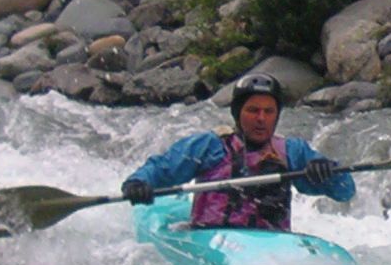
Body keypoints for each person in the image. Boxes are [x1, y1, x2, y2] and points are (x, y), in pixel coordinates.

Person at [121, 73, 355, 230]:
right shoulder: (209, 146)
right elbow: (163, 169)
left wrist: (328, 172)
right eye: (253, 110)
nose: (261, 119)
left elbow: (345, 191)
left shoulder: (293, 152)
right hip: (210, 237)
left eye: (268, 111)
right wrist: (139, 182)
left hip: (273, 243)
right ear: (237, 113)